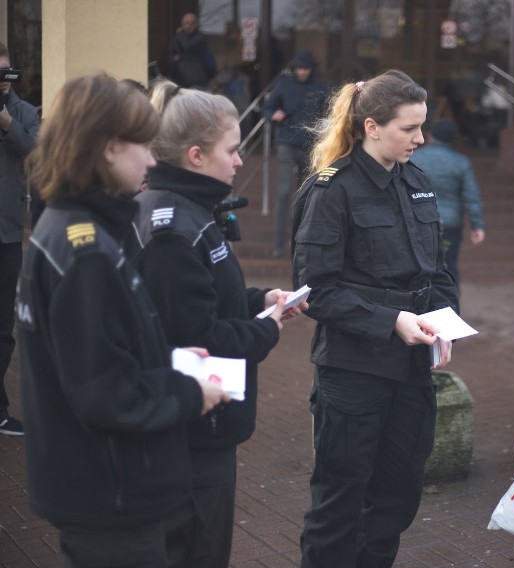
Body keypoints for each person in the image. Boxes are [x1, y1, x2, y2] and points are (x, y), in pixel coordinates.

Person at [17, 73, 229, 567]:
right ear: (110, 148)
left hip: (97, 484)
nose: (152, 159)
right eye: (142, 145)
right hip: (109, 490)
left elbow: (93, 352)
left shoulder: (70, 230)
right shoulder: (86, 251)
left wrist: (169, 359)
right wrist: (192, 391)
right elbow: (108, 393)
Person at [133, 79, 306, 568]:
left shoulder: (190, 212)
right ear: (194, 155)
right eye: (231, 150)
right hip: (192, 430)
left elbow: (203, 301)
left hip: (201, 425)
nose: (239, 160)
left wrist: (257, 301)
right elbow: (196, 338)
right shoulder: (173, 227)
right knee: (197, 551)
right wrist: (267, 328)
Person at [291, 69, 459, 568]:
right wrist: (392, 320)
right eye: (409, 128)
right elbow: (315, 292)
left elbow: (437, 270)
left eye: (422, 126)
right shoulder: (330, 190)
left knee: (397, 498)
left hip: (409, 372)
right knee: (339, 504)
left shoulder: (417, 182)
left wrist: (444, 321)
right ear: (371, 127)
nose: (420, 138)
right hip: (353, 373)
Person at [0, 41, 39, 436]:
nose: (3, 81)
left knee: (1, 327)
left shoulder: (25, 113)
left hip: (7, 231)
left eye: (7, 72)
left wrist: (7, 125)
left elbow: (38, 152)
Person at [263, 49, 327, 258]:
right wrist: (274, 115)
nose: (302, 72)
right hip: (286, 142)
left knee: (306, 193)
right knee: (283, 192)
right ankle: (278, 242)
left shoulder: (319, 88)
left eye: (305, 69)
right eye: (299, 68)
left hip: (309, 144)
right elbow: (268, 109)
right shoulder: (283, 85)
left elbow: (328, 113)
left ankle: (300, 239)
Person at [414, 117, 485, 287]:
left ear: (432, 136)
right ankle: (450, 305)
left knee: (419, 264)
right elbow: (471, 195)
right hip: (450, 225)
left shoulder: (415, 157)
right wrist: (477, 225)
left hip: (420, 221)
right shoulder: (461, 162)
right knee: (448, 265)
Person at [167, 12, 216, 90]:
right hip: (179, 83)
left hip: (198, 83)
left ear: (196, 25)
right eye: (186, 23)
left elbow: (187, 46)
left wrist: (180, 34)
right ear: (182, 24)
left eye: (192, 23)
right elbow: (169, 60)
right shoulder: (175, 41)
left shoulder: (200, 38)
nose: (189, 26)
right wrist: (174, 61)